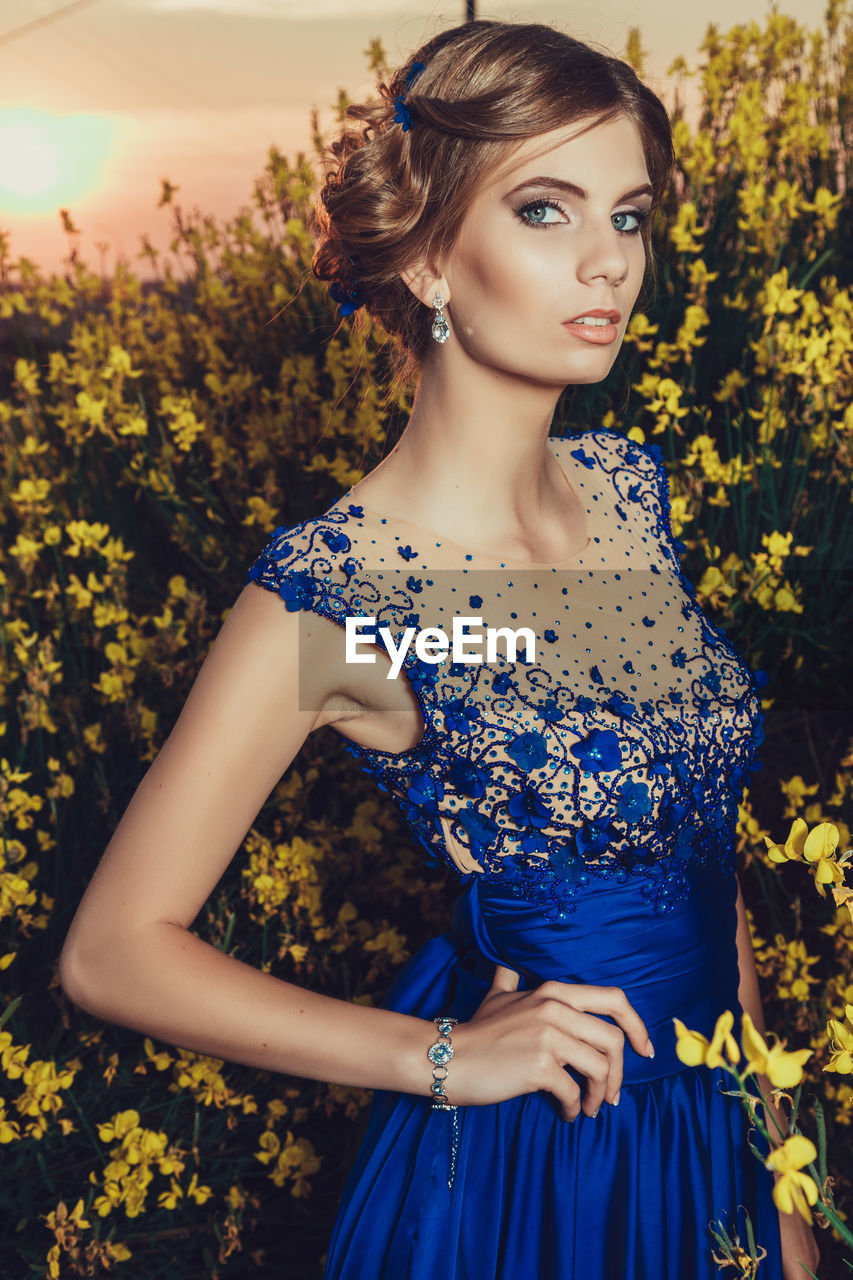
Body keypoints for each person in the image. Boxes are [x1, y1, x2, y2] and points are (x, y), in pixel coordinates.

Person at [59, 20, 821, 1280]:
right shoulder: (349, 601)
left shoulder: (629, 495)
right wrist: (446, 1059)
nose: (606, 264)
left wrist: (779, 1186)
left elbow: (703, 853)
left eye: (627, 216)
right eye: (543, 209)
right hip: (541, 1165)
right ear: (424, 259)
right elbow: (114, 946)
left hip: (716, 1137)